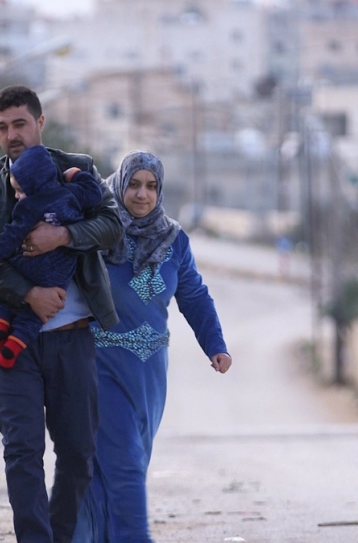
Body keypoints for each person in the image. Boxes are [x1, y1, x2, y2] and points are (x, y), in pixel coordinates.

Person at [0, 84, 122, 543]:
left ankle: (60, 534)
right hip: (13, 337)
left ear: (40, 123)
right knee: (22, 451)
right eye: (2, 127)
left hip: (72, 337)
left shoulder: (77, 171)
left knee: (77, 453)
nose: (11, 134)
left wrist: (64, 237)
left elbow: (111, 228)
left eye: (19, 124)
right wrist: (29, 293)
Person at [73, 151, 232, 543]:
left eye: (151, 186)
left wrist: (215, 343)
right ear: (119, 184)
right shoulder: (97, 232)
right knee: (124, 463)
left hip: (149, 373)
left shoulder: (174, 240)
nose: (142, 194)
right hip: (100, 364)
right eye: (133, 184)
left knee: (121, 464)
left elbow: (194, 295)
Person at [0, 144, 103, 369]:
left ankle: (0, 324)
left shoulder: (28, 206)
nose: (18, 197)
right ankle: (14, 346)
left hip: (32, 264)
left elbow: (13, 233)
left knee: (5, 283)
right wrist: (76, 175)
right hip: (60, 271)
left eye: (20, 190)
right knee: (36, 316)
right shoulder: (71, 193)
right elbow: (94, 193)